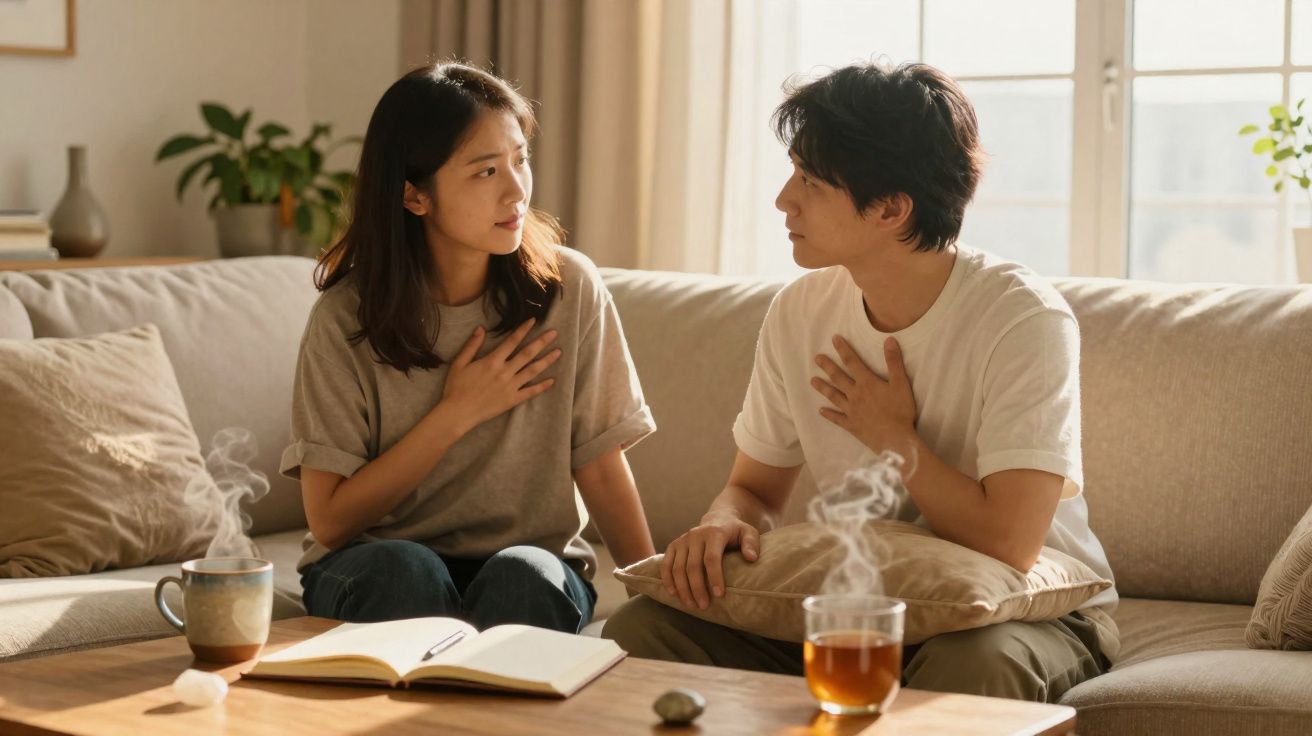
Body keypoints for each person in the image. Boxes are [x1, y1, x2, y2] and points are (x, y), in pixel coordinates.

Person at [602, 61, 1119, 703]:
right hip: (856, 606)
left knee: (976, 664)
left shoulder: (1022, 319)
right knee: (641, 629)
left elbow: (1011, 544)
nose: (783, 199)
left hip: (1022, 615)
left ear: (891, 209)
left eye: (810, 182)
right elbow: (754, 489)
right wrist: (722, 521)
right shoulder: (802, 310)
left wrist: (892, 438)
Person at [281, 62, 656, 633]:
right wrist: (456, 414)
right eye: (485, 171)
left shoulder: (568, 290)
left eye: (520, 160)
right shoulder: (345, 318)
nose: (517, 190)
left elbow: (601, 467)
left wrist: (653, 595)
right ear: (414, 196)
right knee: (406, 570)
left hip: (526, 562)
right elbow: (330, 522)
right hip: (370, 566)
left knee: (526, 577)